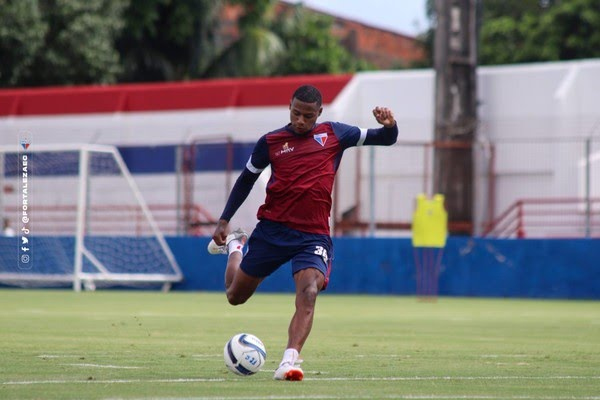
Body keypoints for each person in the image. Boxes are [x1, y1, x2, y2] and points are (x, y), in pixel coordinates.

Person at [208, 84, 398, 381]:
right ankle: (236, 246)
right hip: (272, 231)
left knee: (309, 292)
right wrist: (224, 220)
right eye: (296, 113)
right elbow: (246, 179)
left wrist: (390, 125)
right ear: (289, 108)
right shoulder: (270, 142)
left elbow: (385, 139)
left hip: (312, 236)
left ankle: (289, 362)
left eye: (307, 116)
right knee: (235, 296)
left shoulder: (335, 134)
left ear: (318, 114)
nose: (300, 120)